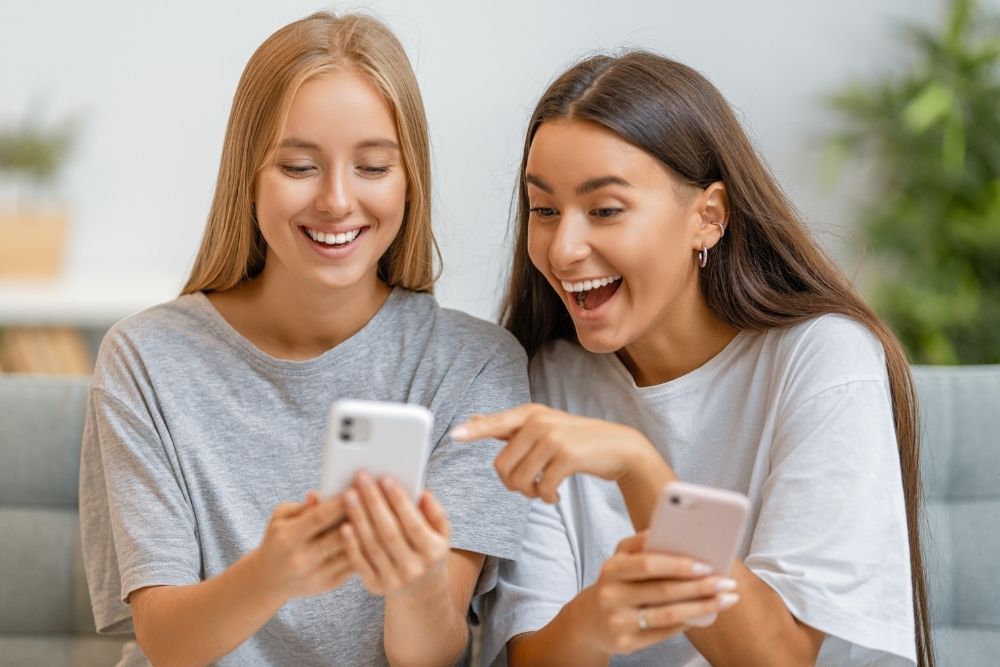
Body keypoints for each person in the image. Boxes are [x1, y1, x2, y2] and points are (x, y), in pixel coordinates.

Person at [79, 11, 529, 666]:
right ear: (247, 177)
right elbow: (167, 642)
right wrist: (271, 574)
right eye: (298, 166)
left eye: (373, 166)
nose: (337, 200)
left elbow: (429, 656)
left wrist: (414, 580)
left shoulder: (475, 366)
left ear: (410, 180)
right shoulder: (146, 358)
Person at [459, 51, 930, 666]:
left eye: (605, 210)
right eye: (544, 210)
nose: (564, 248)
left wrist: (639, 469)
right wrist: (596, 620)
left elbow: (780, 658)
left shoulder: (823, 360)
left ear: (707, 218)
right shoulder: (547, 380)